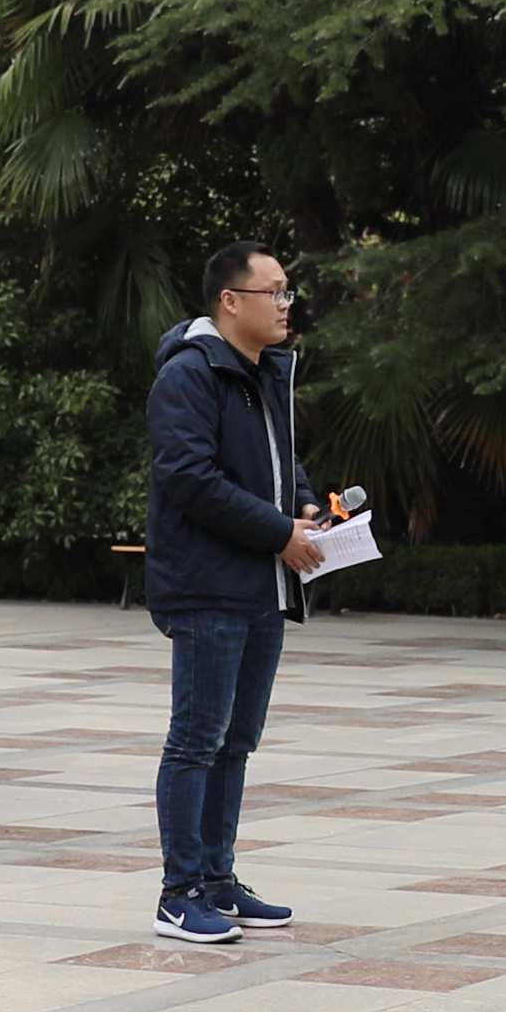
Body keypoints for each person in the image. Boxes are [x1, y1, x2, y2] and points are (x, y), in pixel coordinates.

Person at [140, 242, 328, 944]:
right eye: (272, 292)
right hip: (207, 586)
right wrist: (279, 531)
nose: (285, 304)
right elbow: (190, 478)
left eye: (286, 291)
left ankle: (218, 879)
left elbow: (282, 462)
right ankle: (179, 892)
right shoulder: (190, 375)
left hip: (260, 584)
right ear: (229, 300)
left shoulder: (264, 371)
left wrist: (304, 506)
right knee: (197, 739)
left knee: (236, 740)